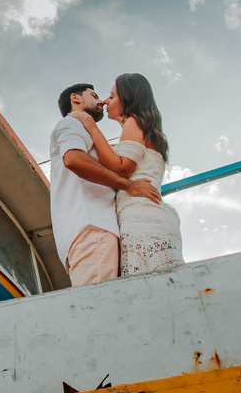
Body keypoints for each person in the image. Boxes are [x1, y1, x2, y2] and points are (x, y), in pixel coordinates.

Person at [69, 73, 184, 276]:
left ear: (128, 98)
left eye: (112, 97)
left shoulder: (133, 122)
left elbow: (121, 167)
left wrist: (92, 128)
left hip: (141, 218)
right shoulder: (144, 129)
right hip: (149, 215)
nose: (105, 101)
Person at [50, 83, 162, 286]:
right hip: (92, 224)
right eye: (94, 95)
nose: (102, 101)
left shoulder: (86, 130)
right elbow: (74, 159)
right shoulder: (73, 123)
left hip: (95, 226)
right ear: (75, 99)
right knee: (97, 303)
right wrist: (129, 186)